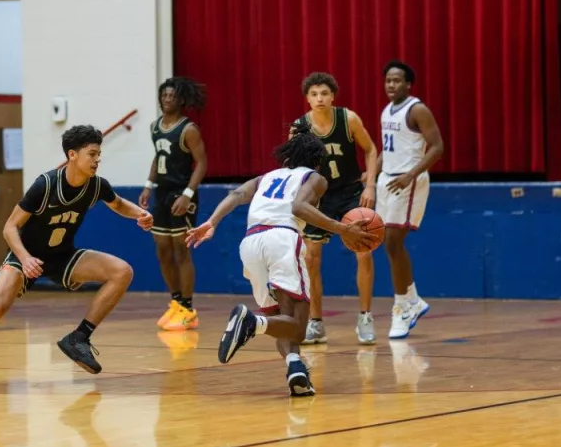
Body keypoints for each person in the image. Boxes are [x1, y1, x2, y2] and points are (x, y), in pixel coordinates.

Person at [0, 125, 153, 386]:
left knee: (122, 271)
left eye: (99, 154)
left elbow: (117, 203)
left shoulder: (96, 185)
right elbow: (9, 227)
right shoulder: (46, 185)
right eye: (92, 154)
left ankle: (79, 337)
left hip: (62, 256)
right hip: (25, 255)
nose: (97, 159)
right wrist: (25, 258)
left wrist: (140, 214)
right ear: (72, 155)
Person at [185, 122, 379, 397]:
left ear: (288, 156)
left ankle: (295, 369)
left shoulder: (267, 177)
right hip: (282, 239)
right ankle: (251, 323)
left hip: (251, 243)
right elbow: (299, 207)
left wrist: (212, 221)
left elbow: (236, 195)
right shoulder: (315, 178)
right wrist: (343, 229)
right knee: (298, 327)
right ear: (317, 160)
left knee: (280, 320)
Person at [292, 72, 381, 345]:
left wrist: (370, 185)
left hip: (351, 192)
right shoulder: (300, 127)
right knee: (311, 258)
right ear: (307, 99)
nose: (319, 98)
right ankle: (316, 323)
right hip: (319, 197)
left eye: (324, 93)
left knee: (363, 251)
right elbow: (293, 167)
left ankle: (365, 317)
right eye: (314, 94)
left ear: (332, 96)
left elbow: (371, 150)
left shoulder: (348, 119)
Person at [376, 61, 444, 339]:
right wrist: (370, 175)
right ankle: (412, 300)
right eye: (388, 80)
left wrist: (410, 175)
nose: (391, 85)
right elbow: (386, 148)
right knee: (387, 242)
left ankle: (403, 306)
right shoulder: (386, 110)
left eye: (397, 80)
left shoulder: (417, 110)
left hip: (409, 179)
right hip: (387, 179)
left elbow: (437, 147)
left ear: (408, 84)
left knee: (393, 242)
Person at [139, 77, 208, 332]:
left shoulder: (189, 129)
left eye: (172, 96)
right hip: (162, 194)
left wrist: (188, 194)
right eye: (164, 95)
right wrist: (148, 185)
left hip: (182, 194)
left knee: (181, 251)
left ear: (181, 100)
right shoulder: (155, 126)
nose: (167, 99)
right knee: (162, 250)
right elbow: (158, 157)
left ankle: (188, 309)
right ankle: (176, 303)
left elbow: (202, 163)